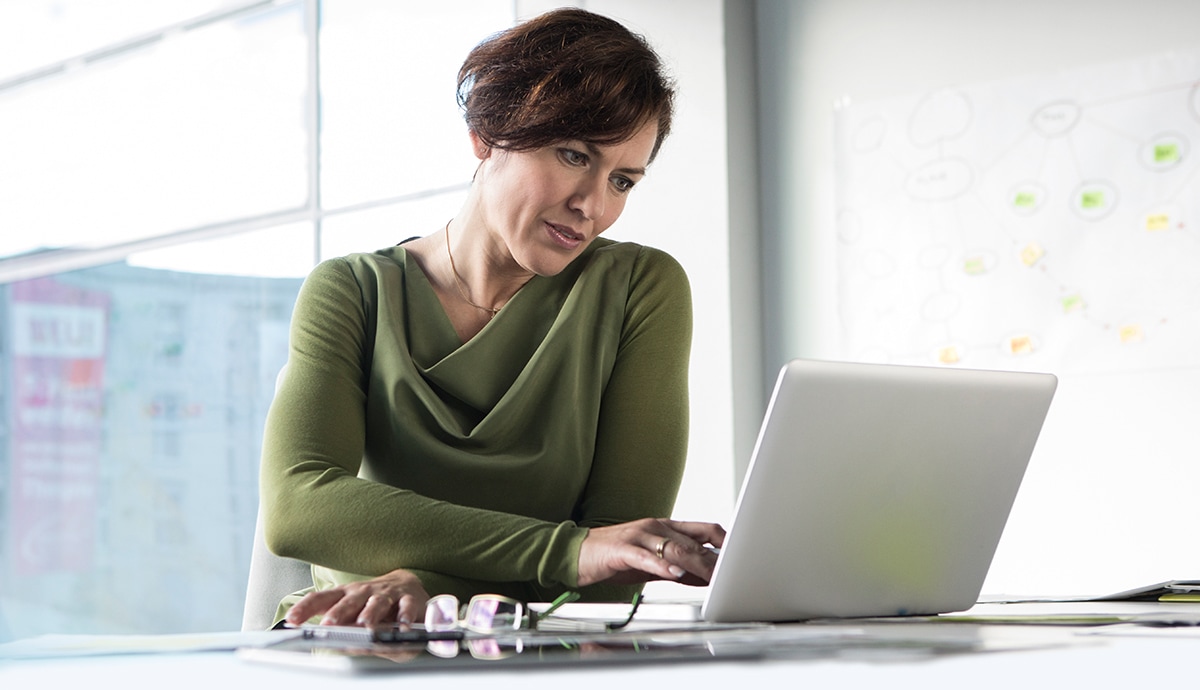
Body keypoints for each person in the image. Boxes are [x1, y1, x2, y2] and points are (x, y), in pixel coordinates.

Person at [260, 7, 725, 629]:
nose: (592, 204)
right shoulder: (351, 291)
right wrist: (568, 552)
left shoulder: (640, 289)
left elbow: (615, 570)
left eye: (623, 180)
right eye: (572, 155)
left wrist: (432, 586)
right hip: (358, 641)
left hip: (541, 650)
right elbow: (297, 508)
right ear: (486, 135)